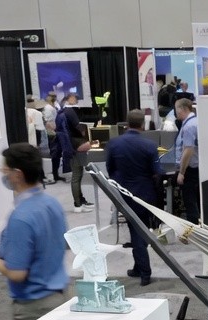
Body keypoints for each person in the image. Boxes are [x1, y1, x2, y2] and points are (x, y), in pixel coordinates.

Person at [0, 143, 69, 320]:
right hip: (59, 297)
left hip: (35, 307)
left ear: (17, 174)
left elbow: (16, 273)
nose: (3, 175)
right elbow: (46, 245)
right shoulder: (52, 204)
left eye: (5, 170)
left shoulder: (21, 217)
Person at [106, 108, 163, 286]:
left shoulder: (114, 144)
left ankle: (140, 268)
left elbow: (110, 169)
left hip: (122, 193)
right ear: (143, 124)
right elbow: (157, 173)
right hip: (144, 194)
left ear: (127, 123)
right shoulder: (150, 145)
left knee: (135, 229)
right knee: (140, 231)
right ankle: (144, 272)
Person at [58, 93, 93, 213]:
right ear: (69, 99)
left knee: (77, 175)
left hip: (71, 146)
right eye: (74, 98)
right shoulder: (70, 112)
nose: (76, 100)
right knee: (77, 176)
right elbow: (78, 128)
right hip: (75, 146)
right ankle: (78, 204)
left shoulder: (62, 112)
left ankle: (80, 201)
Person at [174, 98, 200, 223]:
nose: (176, 113)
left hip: (190, 170)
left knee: (190, 202)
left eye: (176, 109)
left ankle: (193, 230)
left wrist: (181, 172)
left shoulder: (189, 126)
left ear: (182, 109)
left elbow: (188, 150)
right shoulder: (195, 122)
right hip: (196, 168)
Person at [41, 92, 62, 184]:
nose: (53, 98)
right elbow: (48, 122)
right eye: (52, 96)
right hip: (52, 133)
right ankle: (54, 174)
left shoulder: (55, 106)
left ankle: (56, 174)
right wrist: (55, 130)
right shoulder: (47, 108)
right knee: (54, 153)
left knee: (57, 154)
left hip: (56, 132)